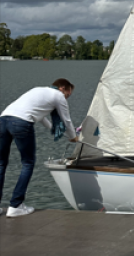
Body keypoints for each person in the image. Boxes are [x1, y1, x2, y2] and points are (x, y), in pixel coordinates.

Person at [0, 79, 78, 217]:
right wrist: (73, 137)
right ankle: (16, 206)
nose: (66, 98)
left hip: (3, 120)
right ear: (62, 88)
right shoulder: (58, 96)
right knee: (27, 163)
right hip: (21, 122)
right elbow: (66, 120)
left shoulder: (37, 90)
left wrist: (54, 130)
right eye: (68, 94)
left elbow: (40, 117)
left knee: (1, 163)